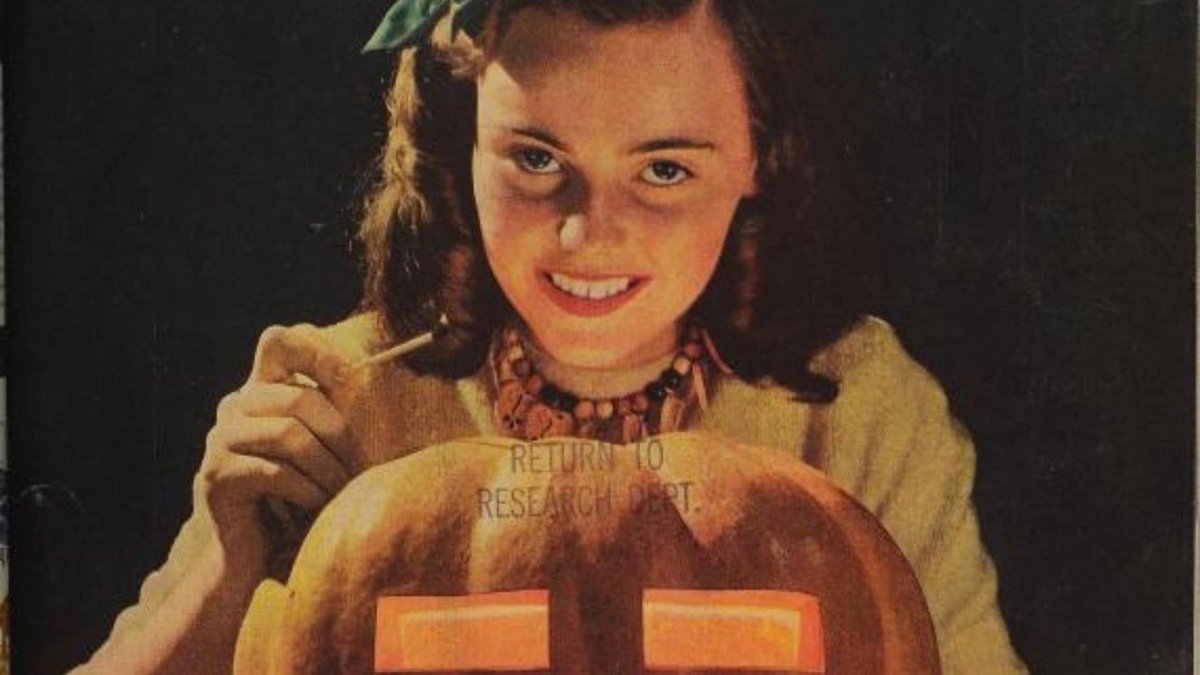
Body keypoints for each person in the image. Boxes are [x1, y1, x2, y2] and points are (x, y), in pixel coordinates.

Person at [71, 0, 1028, 672]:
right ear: (461, 148)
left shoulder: (859, 405)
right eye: (536, 159)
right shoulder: (335, 398)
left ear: (758, 164)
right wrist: (225, 574)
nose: (585, 233)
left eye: (662, 170)